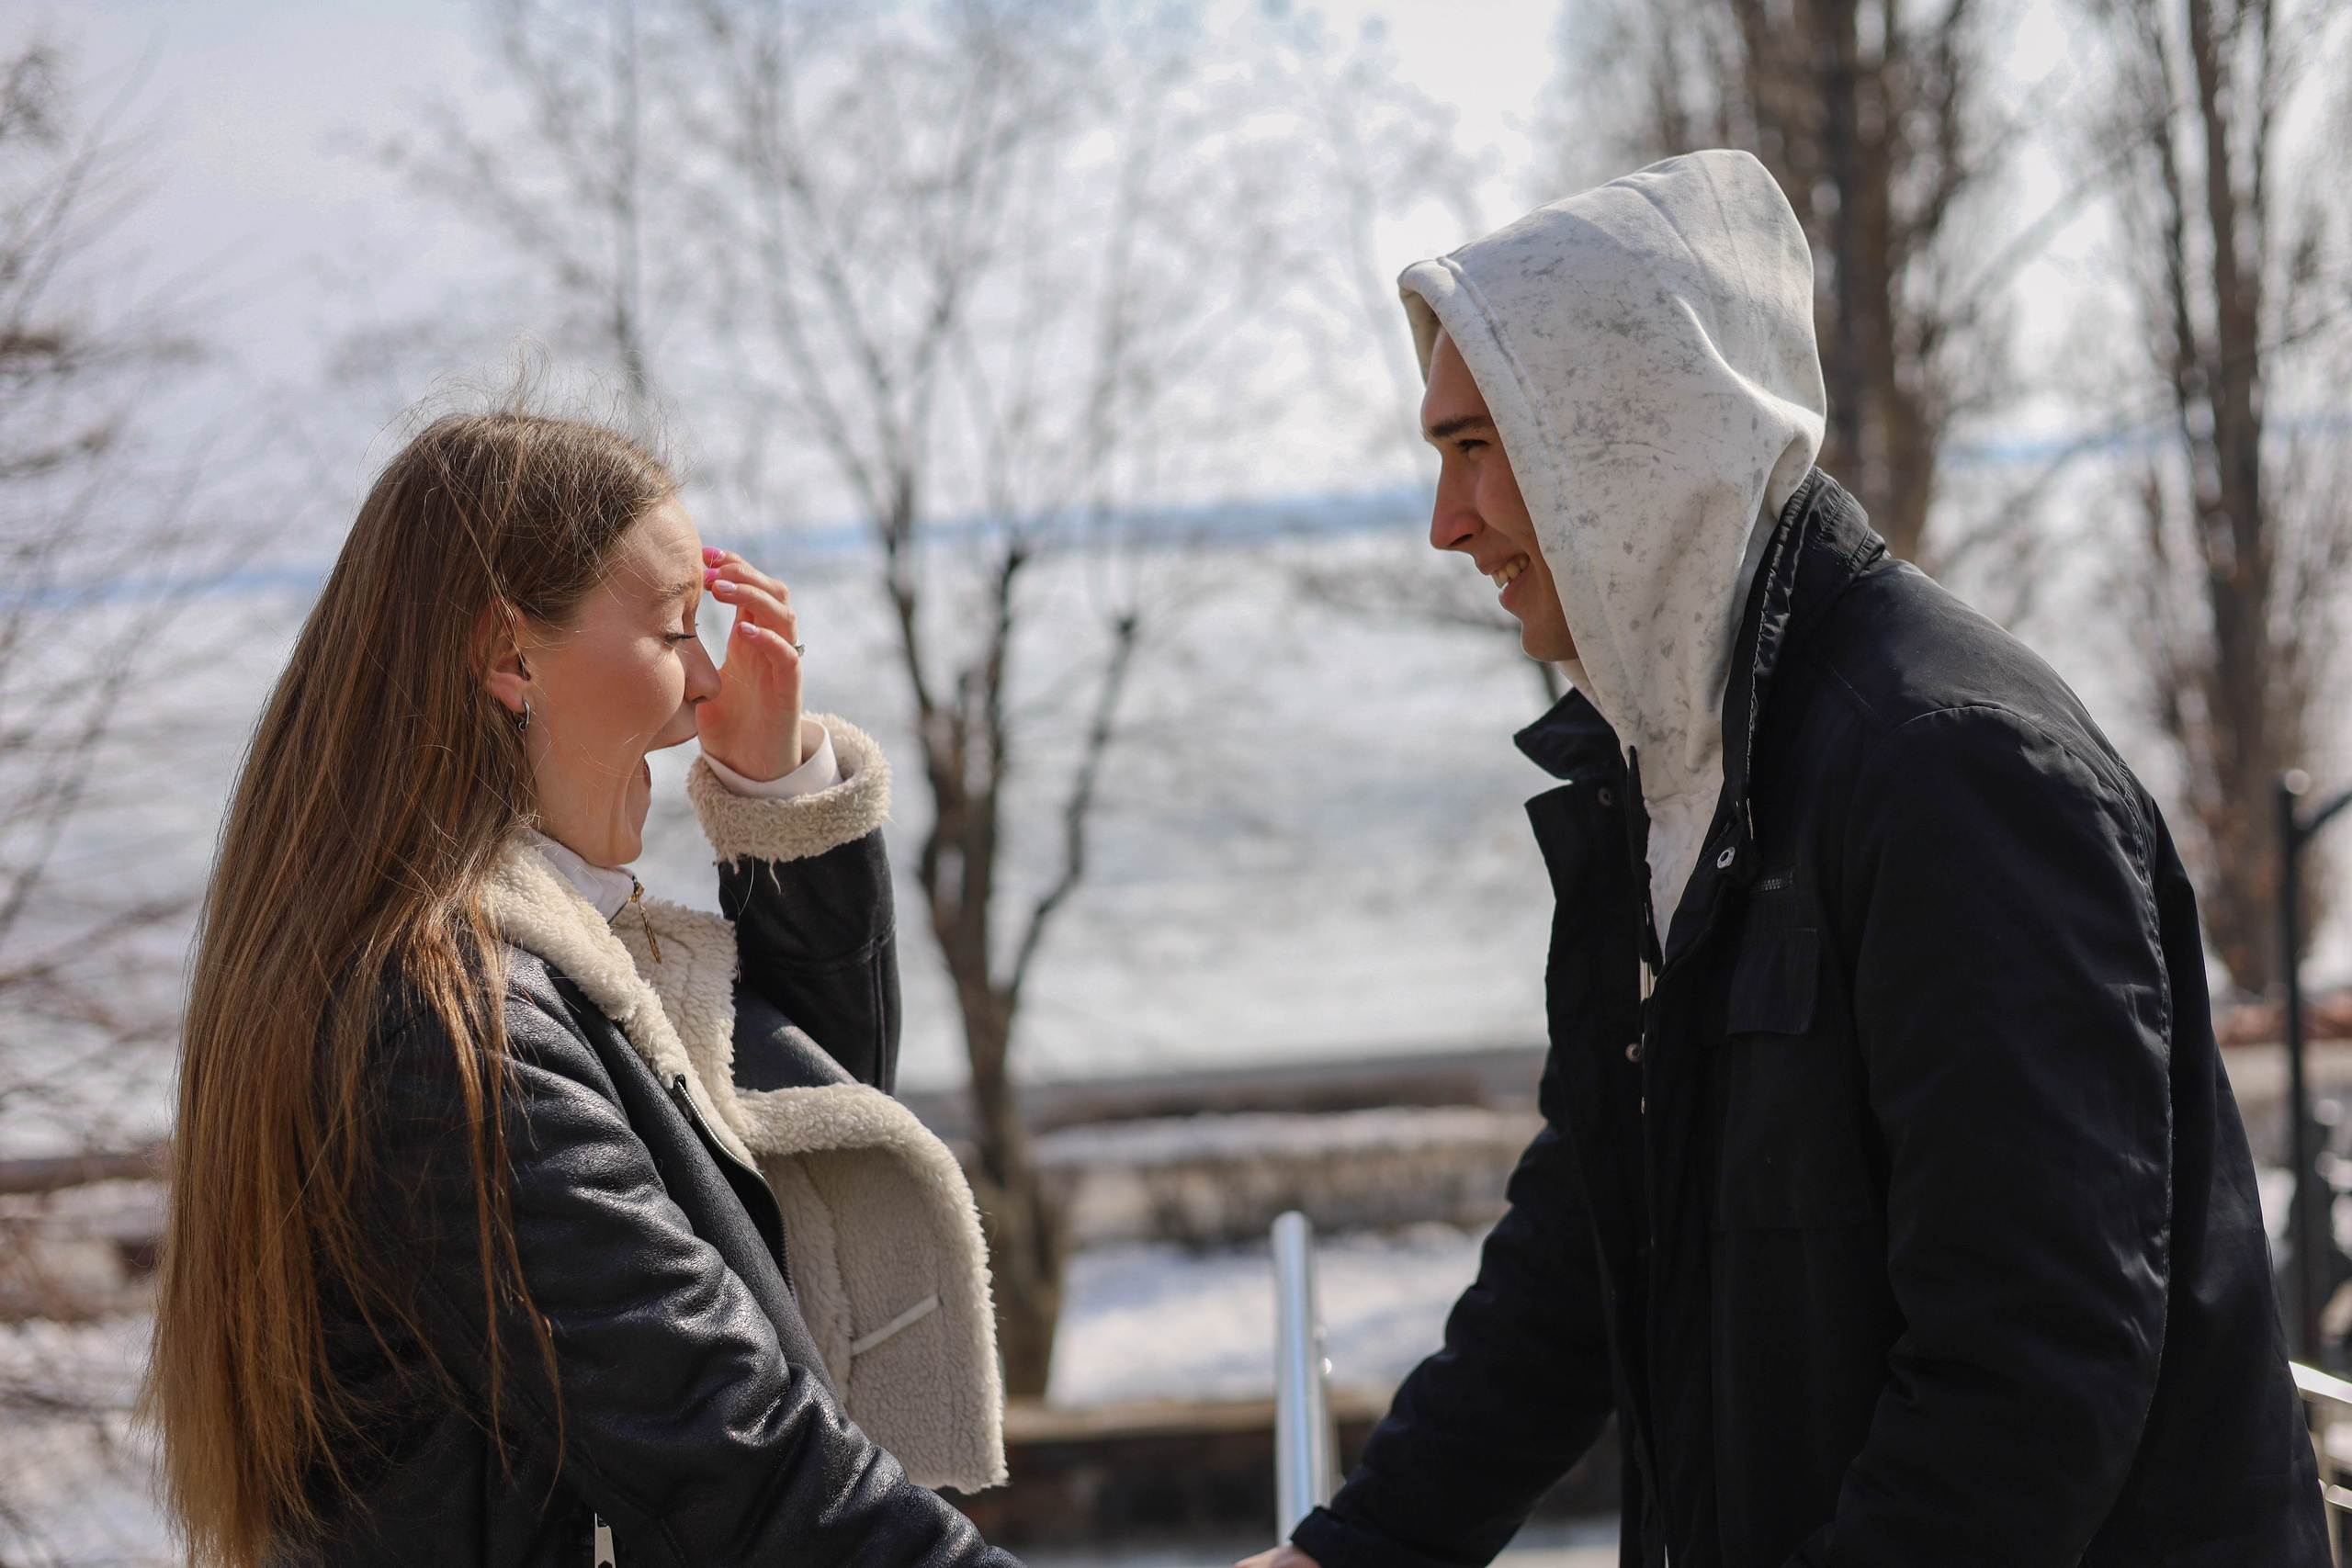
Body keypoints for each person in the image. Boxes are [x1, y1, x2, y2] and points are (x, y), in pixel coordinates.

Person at [1249, 151, 2325, 1567]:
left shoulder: (1954, 771)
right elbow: (1593, 1226)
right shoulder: (1669, 776)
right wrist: (1360, 1545)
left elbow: (2028, 1387)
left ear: (1621, 435)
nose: (1446, 525)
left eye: (1472, 447)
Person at [148, 406, 1018, 1568]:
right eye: (674, 632)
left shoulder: (498, 971)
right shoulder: (447, 1033)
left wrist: (775, 795)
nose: (709, 681)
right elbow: (734, 1454)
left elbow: (776, 1177)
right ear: (511, 655)